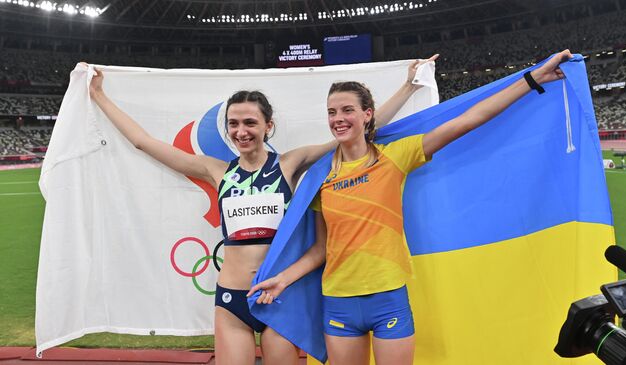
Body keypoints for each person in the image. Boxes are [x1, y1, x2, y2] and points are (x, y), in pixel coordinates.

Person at [85, 55, 437, 365]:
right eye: (234, 124)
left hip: (279, 298)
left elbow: (355, 130)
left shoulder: (290, 163)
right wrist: (98, 95)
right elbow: (143, 142)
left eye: (250, 123)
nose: (241, 131)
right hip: (231, 300)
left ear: (268, 126)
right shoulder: (216, 170)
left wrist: (408, 87)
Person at [247, 50, 573, 365]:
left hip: (388, 299)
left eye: (347, 110)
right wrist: (283, 279)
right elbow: (321, 248)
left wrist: (532, 78)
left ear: (367, 115)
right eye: (332, 112)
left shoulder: (394, 157)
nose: (338, 119)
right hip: (339, 301)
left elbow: (469, 120)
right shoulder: (322, 176)